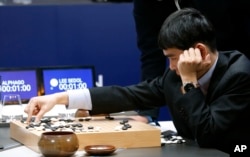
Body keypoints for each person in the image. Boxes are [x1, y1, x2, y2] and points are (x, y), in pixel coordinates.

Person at [25, 8, 250, 153]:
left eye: (173, 58)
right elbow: (129, 94)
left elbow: (208, 134)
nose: (171, 67)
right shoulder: (174, 77)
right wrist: (59, 98)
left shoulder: (240, 74)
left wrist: (189, 81)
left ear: (199, 50)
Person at [132, 0, 250, 123]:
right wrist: (147, 113)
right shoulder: (146, 4)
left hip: (235, 67)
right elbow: (151, 54)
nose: (172, 67)